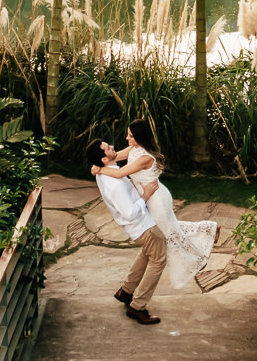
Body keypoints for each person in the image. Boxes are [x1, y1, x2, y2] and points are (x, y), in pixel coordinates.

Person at [90, 119, 219, 289]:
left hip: (156, 198)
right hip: (150, 195)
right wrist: (97, 164)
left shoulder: (144, 157)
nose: (126, 138)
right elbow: (116, 157)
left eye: (130, 135)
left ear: (140, 138)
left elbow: (120, 172)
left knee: (169, 231)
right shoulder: (134, 149)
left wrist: (99, 169)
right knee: (169, 228)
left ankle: (197, 259)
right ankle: (208, 229)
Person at [86, 139, 166, 325]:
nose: (114, 147)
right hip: (143, 227)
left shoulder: (108, 172)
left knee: (148, 254)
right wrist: (146, 195)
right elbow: (129, 213)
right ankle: (137, 307)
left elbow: (129, 149)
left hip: (141, 226)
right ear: (104, 159)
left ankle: (126, 291)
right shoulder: (113, 182)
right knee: (159, 260)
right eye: (109, 148)